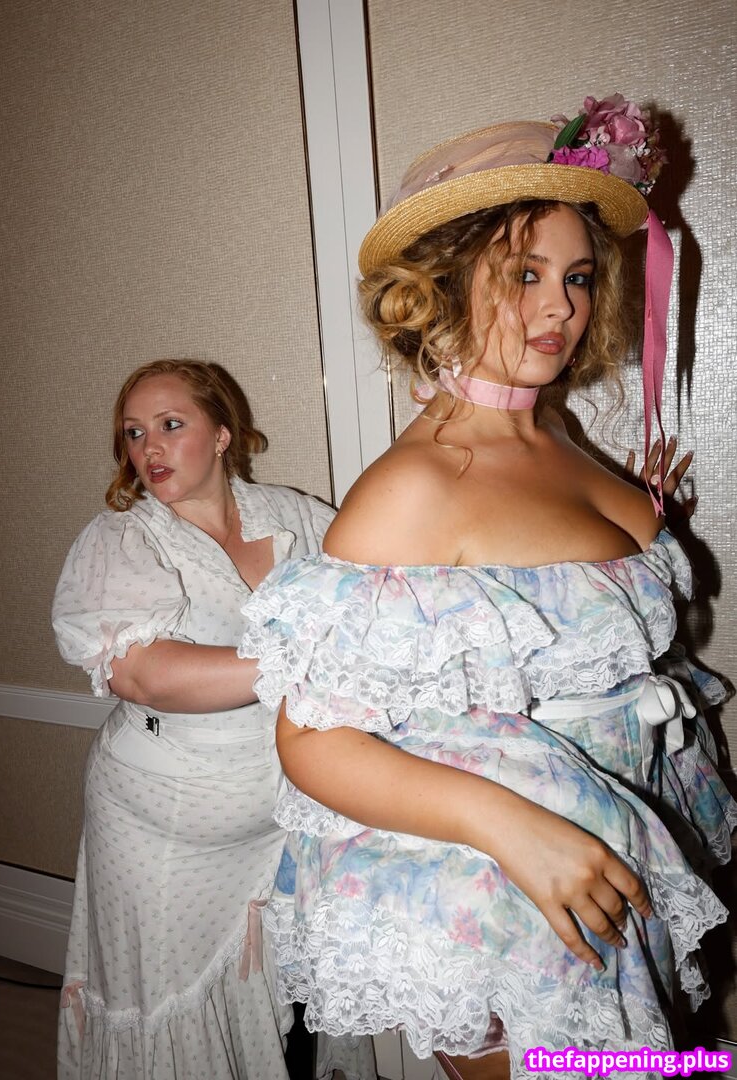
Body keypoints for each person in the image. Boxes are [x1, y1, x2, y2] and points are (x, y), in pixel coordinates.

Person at [240, 96, 737, 1079]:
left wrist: (646, 516)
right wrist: (517, 832)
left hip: (617, 831)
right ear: (445, 284)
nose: (561, 308)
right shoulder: (410, 491)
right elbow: (312, 742)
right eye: (524, 274)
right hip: (507, 883)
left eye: (578, 276)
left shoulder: (558, 434)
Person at [52, 359, 375, 1080]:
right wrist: (307, 657)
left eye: (171, 424)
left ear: (223, 435)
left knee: (287, 996)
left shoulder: (296, 518)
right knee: (170, 1009)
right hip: (160, 829)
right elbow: (145, 674)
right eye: (134, 433)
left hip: (288, 816)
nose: (150, 448)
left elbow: (377, 590)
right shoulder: (124, 540)